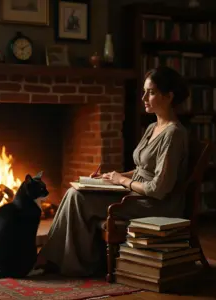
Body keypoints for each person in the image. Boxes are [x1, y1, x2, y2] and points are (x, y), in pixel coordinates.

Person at [36, 66, 189, 277]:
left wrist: (122, 181)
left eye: (151, 92)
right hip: (137, 193)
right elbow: (143, 170)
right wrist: (111, 177)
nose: (143, 97)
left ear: (169, 96)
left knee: (78, 198)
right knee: (75, 191)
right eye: (144, 91)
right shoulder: (152, 128)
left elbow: (159, 188)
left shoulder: (174, 134)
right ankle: (59, 258)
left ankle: (65, 262)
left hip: (155, 204)